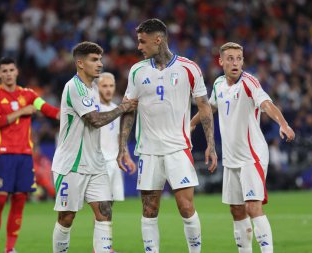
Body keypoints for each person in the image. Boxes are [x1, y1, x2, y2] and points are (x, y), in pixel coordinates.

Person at [118, 18, 217, 253]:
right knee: (149, 210)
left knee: (185, 207)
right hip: (149, 151)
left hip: (178, 149)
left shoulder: (188, 68)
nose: (139, 47)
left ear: (158, 39)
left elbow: (204, 106)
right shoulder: (137, 71)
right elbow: (129, 109)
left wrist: (211, 144)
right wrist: (123, 146)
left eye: (143, 42)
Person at [191, 42, 295, 253]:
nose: (235, 62)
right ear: (221, 61)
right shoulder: (219, 84)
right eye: (230, 58)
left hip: (252, 156)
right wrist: (191, 124)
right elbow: (210, 108)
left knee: (253, 207)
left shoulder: (250, 83)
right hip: (231, 158)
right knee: (237, 210)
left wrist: (283, 124)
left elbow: (267, 105)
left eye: (239, 58)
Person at [51, 41, 137, 253]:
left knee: (104, 211)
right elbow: (95, 120)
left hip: (95, 163)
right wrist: (123, 107)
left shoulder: (91, 89)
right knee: (67, 217)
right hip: (71, 165)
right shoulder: (74, 87)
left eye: (100, 59)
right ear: (80, 63)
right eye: (94, 60)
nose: (100, 64)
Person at [0, 57, 60, 253]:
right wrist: (21, 112)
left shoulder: (28, 94)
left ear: (17, 72)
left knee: (19, 202)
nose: (8, 74)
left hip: (25, 155)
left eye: (11, 70)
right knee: (0, 200)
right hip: (3, 154)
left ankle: (10, 249)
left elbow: (48, 110)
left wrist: (69, 112)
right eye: (4, 71)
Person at [98, 72, 137, 202]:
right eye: (104, 86)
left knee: (112, 202)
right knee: (102, 203)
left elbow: (119, 137)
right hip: (99, 162)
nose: (108, 89)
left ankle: (105, 223)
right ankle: (101, 223)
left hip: (114, 161)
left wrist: (127, 157)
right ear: (97, 87)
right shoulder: (93, 109)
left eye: (111, 86)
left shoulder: (116, 108)